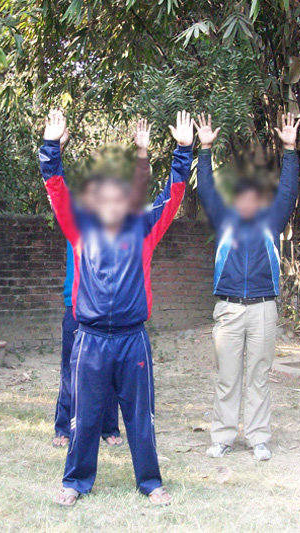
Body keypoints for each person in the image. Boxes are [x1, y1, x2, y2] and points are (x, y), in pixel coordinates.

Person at [40, 109, 193, 507]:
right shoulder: (80, 227)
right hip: (89, 339)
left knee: (141, 418)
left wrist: (183, 150)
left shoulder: (144, 227)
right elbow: (55, 186)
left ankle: (150, 482)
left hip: (132, 340)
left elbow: (174, 194)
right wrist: (50, 145)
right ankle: (75, 482)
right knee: (85, 416)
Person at [195, 113, 300, 461]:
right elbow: (205, 189)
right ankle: (223, 437)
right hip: (229, 308)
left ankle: (258, 438)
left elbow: (288, 190)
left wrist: (290, 150)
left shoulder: (271, 221)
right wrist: (205, 149)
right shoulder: (224, 220)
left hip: (263, 308)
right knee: (227, 378)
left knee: (259, 376)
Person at [54, 120, 154, 448]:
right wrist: (56, 147)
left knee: (111, 375)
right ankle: (64, 427)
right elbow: (56, 187)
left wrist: (142, 154)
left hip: (115, 316)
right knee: (72, 372)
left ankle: (109, 427)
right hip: (78, 308)